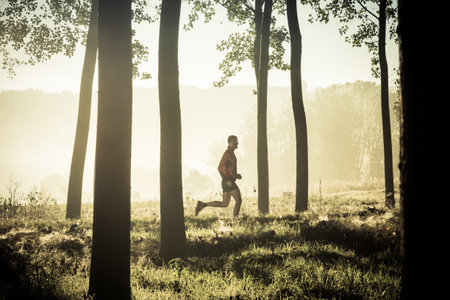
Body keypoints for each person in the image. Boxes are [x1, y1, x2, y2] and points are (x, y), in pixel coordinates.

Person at [195, 135, 243, 217]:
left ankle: (202, 205)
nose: (237, 143)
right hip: (228, 182)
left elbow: (228, 169)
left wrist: (236, 175)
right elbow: (219, 167)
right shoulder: (227, 153)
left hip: (227, 181)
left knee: (224, 204)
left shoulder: (231, 153)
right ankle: (236, 219)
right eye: (235, 141)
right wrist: (227, 180)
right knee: (238, 200)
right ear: (231, 142)